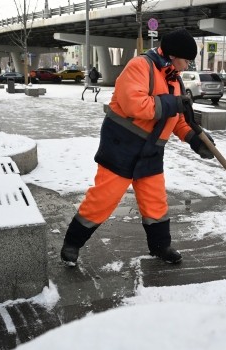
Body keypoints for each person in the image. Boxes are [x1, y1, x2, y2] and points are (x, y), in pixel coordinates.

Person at [60, 28, 215, 267]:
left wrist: (196, 140)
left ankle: (160, 247)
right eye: (186, 60)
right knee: (103, 199)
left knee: (155, 202)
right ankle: (72, 244)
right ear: (173, 56)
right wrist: (173, 103)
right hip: (121, 147)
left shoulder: (174, 78)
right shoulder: (140, 66)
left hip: (151, 151)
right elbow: (135, 105)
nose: (187, 66)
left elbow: (179, 120)